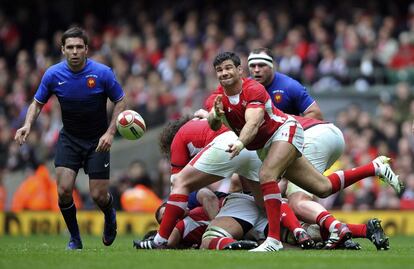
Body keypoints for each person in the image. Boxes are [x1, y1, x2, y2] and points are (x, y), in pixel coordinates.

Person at [206, 51, 402, 251]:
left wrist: (239, 144)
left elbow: (254, 121)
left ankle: (275, 240)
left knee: (271, 179)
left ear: (240, 70)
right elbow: (213, 123)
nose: (224, 73)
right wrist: (214, 116)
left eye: (228, 68)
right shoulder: (216, 98)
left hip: (293, 132)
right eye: (219, 70)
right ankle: (375, 168)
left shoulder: (256, 88)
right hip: (277, 142)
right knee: (322, 187)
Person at [14, 27, 126, 250]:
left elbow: (120, 101)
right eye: (70, 47)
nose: (74, 51)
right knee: (64, 191)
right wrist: (27, 124)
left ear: (86, 49)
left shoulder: (102, 73)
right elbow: (37, 103)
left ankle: (110, 215)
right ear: (63, 50)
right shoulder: (53, 74)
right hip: (70, 139)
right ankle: (75, 238)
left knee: (98, 195)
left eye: (78, 47)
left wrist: (110, 132)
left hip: (98, 140)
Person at [247, 47, 323, 120]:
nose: (256, 70)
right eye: (253, 66)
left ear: (272, 66)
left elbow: (315, 113)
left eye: (261, 65)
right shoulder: (243, 87)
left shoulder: (290, 86)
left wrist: (293, 128)